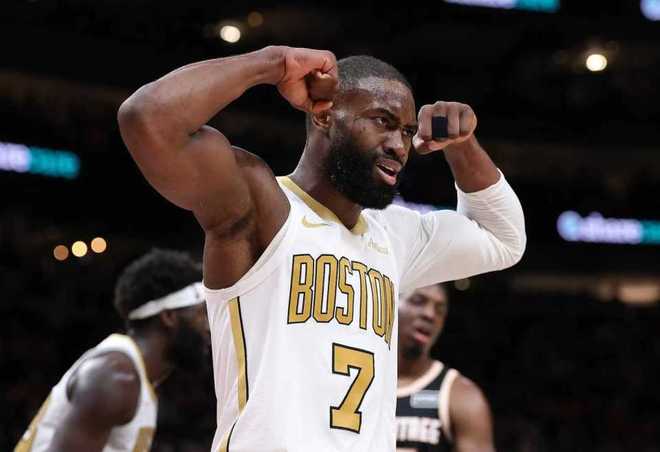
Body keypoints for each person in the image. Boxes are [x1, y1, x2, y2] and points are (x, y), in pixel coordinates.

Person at [117, 45, 526, 451]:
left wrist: (461, 144)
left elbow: (504, 239)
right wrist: (272, 64)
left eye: (405, 131)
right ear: (324, 114)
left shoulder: (394, 235)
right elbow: (147, 118)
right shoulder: (263, 205)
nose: (399, 147)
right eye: (382, 121)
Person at [14, 249, 210, 452]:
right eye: (202, 314)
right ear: (168, 317)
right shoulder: (116, 378)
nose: (209, 326)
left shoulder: (134, 377)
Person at [397, 284, 495, 452]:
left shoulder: (462, 396)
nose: (430, 314)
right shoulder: (358, 378)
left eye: (439, 310)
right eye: (418, 301)